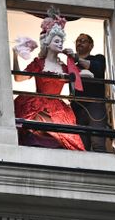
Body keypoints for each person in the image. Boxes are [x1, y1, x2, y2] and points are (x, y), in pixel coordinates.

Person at [12, 9, 85, 151]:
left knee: (63, 136)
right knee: (35, 128)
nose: (60, 44)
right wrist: (14, 55)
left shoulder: (64, 67)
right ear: (48, 42)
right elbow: (18, 77)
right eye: (57, 41)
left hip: (58, 108)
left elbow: (78, 77)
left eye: (61, 41)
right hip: (38, 105)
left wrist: (77, 63)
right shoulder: (39, 64)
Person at [64, 34, 108, 151]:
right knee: (81, 145)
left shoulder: (98, 58)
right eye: (78, 41)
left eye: (83, 41)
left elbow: (97, 68)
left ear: (91, 45)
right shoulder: (73, 66)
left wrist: (76, 58)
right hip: (77, 107)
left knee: (98, 142)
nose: (79, 43)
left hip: (95, 105)